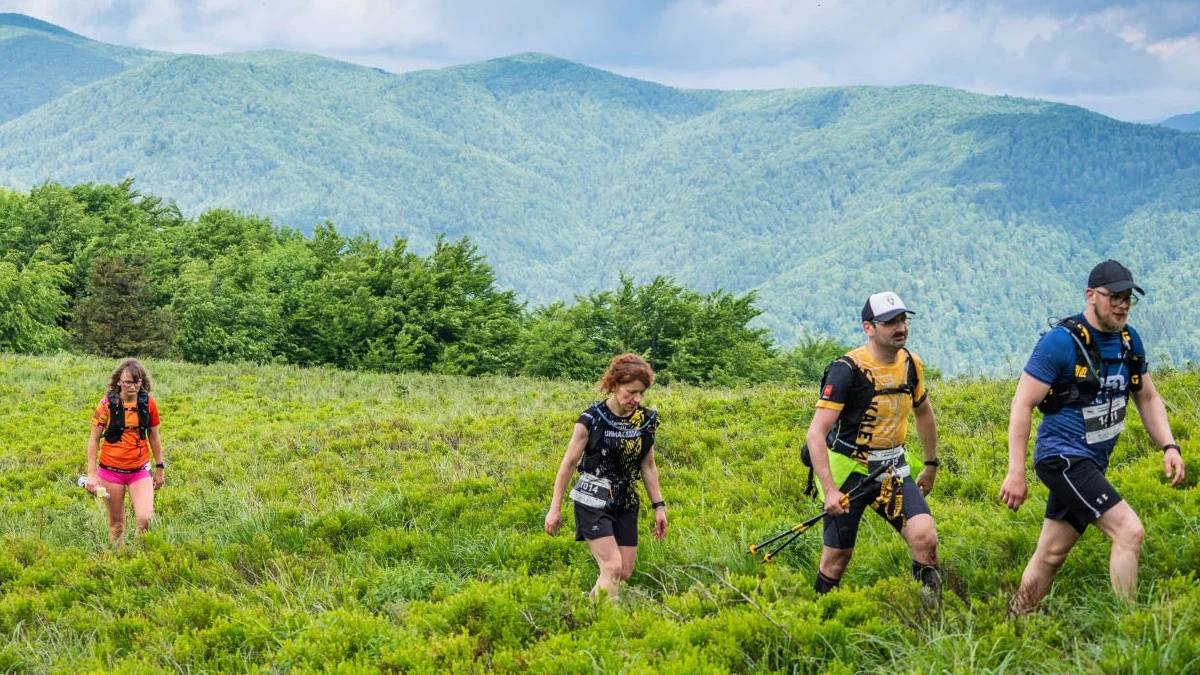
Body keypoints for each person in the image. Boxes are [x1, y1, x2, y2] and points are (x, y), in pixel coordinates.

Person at [1000, 260, 1185, 614]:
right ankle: (1128, 629)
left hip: (1092, 462)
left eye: (1128, 297)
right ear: (1091, 295)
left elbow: (1147, 396)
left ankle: (1014, 621)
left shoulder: (1129, 341)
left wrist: (1169, 445)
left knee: (1051, 553)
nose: (1122, 304)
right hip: (1063, 458)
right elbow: (1022, 404)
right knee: (1129, 532)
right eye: (1114, 296)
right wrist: (1016, 472)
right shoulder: (1061, 342)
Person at [804, 292, 941, 595]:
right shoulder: (847, 369)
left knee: (925, 540)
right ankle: (817, 617)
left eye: (903, 319)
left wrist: (930, 464)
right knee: (836, 559)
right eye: (890, 322)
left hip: (893, 469)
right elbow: (815, 434)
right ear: (869, 327)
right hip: (849, 470)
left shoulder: (910, 364)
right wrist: (829, 491)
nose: (900, 327)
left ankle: (930, 617)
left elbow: (923, 411)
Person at [545, 353, 668, 600]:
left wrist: (659, 507)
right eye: (631, 391)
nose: (637, 398)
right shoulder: (591, 419)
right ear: (614, 385)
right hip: (592, 498)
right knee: (611, 567)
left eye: (642, 392)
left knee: (623, 572)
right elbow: (568, 464)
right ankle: (603, 624)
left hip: (626, 500)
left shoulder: (645, 422)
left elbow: (649, 466)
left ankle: (585, 607)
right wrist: (554, 508)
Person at [83, 358, 166, 547]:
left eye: (137, 382)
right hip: (110, 472)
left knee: (146, 518)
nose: (133, 386)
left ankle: (137, 557)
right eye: (128, 382)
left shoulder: (148, 404)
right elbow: (94, 439)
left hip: (139, 470)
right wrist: (91, 474)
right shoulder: (106, 405)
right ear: (118, 380)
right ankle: (119, 561)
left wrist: (160, 467)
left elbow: (154, 436)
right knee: (116, 525)